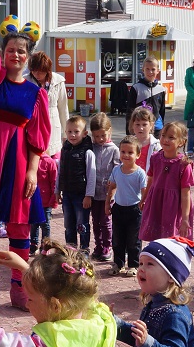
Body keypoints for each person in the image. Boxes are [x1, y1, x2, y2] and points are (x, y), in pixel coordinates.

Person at [0, 2, 52, 310]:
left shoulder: (36, 94)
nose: (15, 54)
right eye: (11, 50)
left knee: (20, 230)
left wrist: (32, 172)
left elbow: (37, 140)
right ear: (3, 54)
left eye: (21, 51)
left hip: (18, 166)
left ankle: (19, 290)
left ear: (28, 58)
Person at [139, 120, 194, 241]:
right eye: (163, 135)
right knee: (155, 238)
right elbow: (151, 180)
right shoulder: (155, 158)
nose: (165, 140)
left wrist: (185, 219)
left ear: (181, 142)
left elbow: (186, 193)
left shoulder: (184, 165)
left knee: (171, 239)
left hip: (174, 207)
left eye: (171, 137)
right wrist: (144, 198)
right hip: (156, 202)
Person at [107, 135, 147, 277]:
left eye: (130, 152)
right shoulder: (117, 170)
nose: (126, 155)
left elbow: (144, 191)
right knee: (117, 238)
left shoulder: (140, 173)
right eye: (123, 152)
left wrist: (143, 203)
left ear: (138, 155)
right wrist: (108, 203)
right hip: (118, 208)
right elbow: (112, 186)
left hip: (134, 210)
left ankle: (134, 264)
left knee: (133, 239)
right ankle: (118, 263)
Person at [58, 115, 95, 253]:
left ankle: (84, 250)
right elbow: (60, 171)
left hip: (81, 195)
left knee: (82, 224)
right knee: (69, 224)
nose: (73, 135)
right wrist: (58, 191)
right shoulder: (65, 150)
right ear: (65, 132)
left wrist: (88, 195)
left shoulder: (87, 152)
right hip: (67, 193)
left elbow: (92, 175)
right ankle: (70, 250)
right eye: (69, 132)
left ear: (84, 133)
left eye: (76, 132)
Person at [88, 113, 118, 262]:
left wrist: (112, 183)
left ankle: (108, 246)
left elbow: (118, 168)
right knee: (95, 221)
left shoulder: (114, 149)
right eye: (96, 136)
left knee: (106, 221)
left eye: (103, 135)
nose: (100, 139)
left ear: (109, 131)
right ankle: (98, 245)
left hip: (108, 194)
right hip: (94, 193)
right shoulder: (91, 147)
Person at [29, 52, 70, 157]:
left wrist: (66, 133)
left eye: (41, 71)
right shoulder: (26, 80)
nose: (37, 74)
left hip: (53, 124)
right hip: (33, 125)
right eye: (34, 71)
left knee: (54, 160)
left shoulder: (58, 81)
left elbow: (63, 108)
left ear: (47, 70)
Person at [127, 58, 166, 134]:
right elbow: (130, 111)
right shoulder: (136, 88)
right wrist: (129, 132)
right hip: (141, 128)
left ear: (158, 71)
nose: (150, 72)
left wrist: (162, 128)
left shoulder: (161, 89)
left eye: (153, 69)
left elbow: (162, 111)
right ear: (143, 70)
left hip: (157, 128)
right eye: (147, 69)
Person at [30, 152, 58, 256]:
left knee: (45, 224)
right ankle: (33, 245)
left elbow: (54, 182)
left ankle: (45, 246)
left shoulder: (49, 162)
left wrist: (53, 200)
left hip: (46, 201)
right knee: (34, 224)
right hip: (33, 199)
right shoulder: (30, 160)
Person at [129, 106, 160, 171]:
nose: (141, 128)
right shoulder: (128, 143)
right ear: (132, 125)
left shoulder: (156, 146)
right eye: (137, 124)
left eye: (144, 125)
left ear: (151, 125)